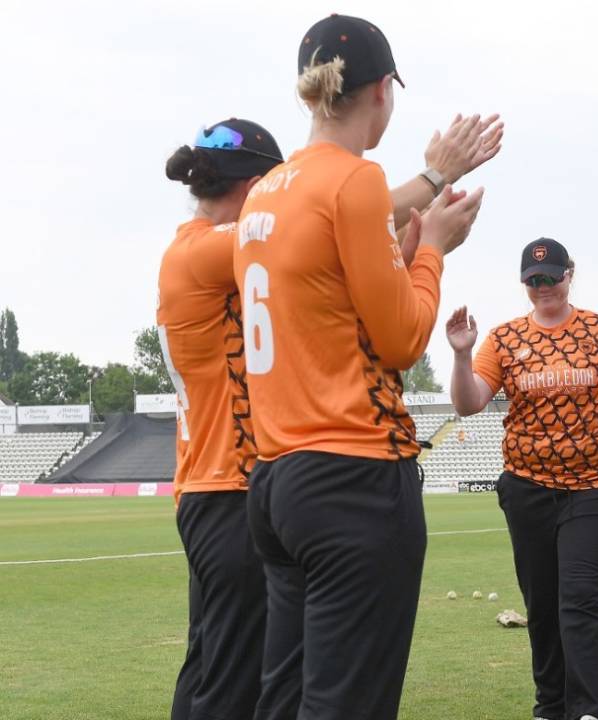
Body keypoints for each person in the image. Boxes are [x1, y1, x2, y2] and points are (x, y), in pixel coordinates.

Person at [234, 14, 486, 719]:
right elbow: (403, 338)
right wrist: (432, 248)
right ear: (382, 92)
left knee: (284, 696)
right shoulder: (356, 180)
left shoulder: (265, 192)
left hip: (276, 478)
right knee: (348, 702)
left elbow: (326, 306)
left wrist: (405, 249)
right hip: (354, 474)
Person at [447, 238, 598, 720]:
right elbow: (469, 402)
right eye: (533, 281)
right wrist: (460, 355)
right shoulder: (503, 338)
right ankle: (550, 706)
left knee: (580, 600)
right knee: (542, 604)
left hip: (597, 484)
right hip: (528, 486)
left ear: (569, 273)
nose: (543, 288)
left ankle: (586, 711)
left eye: (551, 277)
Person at [160, 118, 283, 720]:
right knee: (234, 679)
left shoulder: (195, 249)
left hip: (211, 491)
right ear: (257, 186)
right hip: (228, 488)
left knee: (212, 665)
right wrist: (434, 180)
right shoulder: (207, 248)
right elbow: (313, 228)